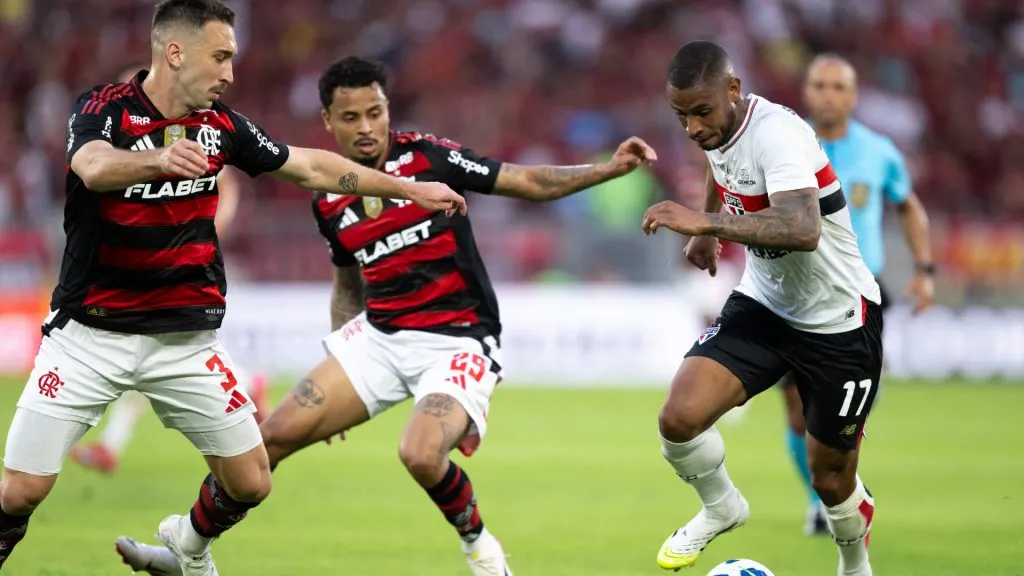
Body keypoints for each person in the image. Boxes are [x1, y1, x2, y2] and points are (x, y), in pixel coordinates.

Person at [115, 55, 656, 576]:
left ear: (388, 109)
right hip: (378, 340)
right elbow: (348, 283)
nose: (367, 126)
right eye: (351, 117)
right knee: (265, 442)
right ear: (328, 121)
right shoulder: (328, 197)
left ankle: (483, 550)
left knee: (420, 453)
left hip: (459, 343)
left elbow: (526, 182)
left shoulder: (427, 158)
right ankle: (187, 547)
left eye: (375, 112)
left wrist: (608, 169)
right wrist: (338, 362)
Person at [0, 1, 466, 573]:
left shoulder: (221, 127)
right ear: (176, 53)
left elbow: (311, 167)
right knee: (21, 492)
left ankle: (190, 556)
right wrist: (158, 162)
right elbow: (92, 166)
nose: (230, 72)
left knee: (251, 481)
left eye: (233, 58)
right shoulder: (105, 109)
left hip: (186, 346)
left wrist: (408, 188)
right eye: (220, 56)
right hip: (89, 339)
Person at [643, 41, 881, 576]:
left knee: (830, 479)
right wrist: (709, 226)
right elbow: (719, 162)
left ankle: (854, 560)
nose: (692, 128)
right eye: (680, 115)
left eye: (701, 112)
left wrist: (705, 224)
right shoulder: (717, 128)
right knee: (678, 419)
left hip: (839, 319)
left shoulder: (777, 135)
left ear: (733, 90)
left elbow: (803, 228)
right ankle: (721, 505)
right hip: (766, 306)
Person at [66, 63, 272, 476]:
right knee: (155, 356)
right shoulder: (123, 133)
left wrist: (213, 225)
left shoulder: (192, 129)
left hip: (188, 256)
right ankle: (248, 384)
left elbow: (227, 183)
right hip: (151, 261)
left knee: (166, 351)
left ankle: (247, 384)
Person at [780, 53, 935, 536]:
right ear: (807, 92)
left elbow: (908, 206)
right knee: (796, 409)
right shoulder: (785, 142)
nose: (828, 94)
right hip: (797, 290)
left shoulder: (879, 151)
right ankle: (817, 501)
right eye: (819, 85)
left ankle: (837, 471)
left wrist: (925, 269)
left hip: (860, 289)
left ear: (853, 95)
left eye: (837, 87)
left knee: (847, 407)